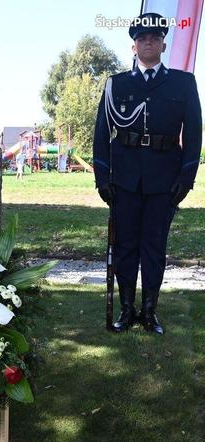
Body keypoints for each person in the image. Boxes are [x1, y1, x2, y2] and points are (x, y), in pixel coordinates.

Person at [93, 13, 201, 335]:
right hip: (124, 180)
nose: (148, 42)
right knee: (125, 245)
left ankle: (150, 311)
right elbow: (101, 134)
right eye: (142, 37)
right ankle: (127, 311)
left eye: (154, 37)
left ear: (164, 43)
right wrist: (102, 178)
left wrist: (186, 177)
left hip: (164, 180)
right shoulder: (117, 84)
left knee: (154, 246)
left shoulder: (183, 83)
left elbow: (194, 133)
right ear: (134, 45)